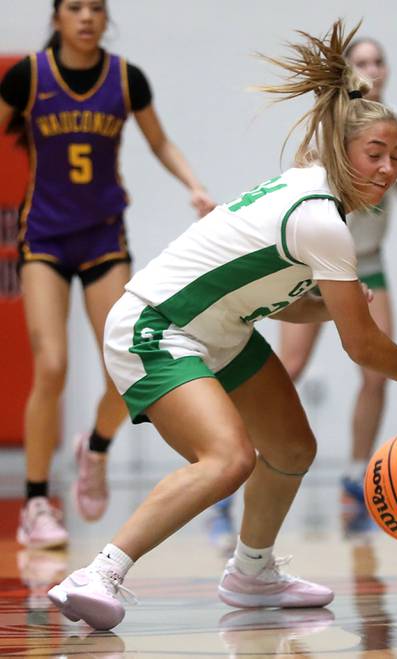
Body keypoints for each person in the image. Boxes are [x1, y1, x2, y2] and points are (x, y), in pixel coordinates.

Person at [46, 20, 397, 631]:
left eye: (396, 158)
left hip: (220, 328)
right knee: (226, 458)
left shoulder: (314, 195)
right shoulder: (322, 218)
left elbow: (279, 300)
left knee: (293, 446)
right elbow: (363, 346)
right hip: (155, 325)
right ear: (342, 152)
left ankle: (252, 571)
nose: (387, 169)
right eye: (375, 154)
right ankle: (100, 572)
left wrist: (329, 303)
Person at [0, 0, 214, 549]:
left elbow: (159, 140)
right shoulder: (29, 76)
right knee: (51, 366)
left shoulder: (126, 79)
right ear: (57, 18)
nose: (87, 17)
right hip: (44, 239)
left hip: (103, 238)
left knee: (125, 366)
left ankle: (94, 448)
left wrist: (192, 184)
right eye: (75, 7)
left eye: (96, 7)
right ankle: (37, 502)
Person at [278, 36, 397, 506]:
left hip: (368, 263)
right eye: (362, 62)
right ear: (347, 72)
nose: (372, 69)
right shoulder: (328, 125)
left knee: (376, 369)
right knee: (289, 367)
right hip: (317, 265)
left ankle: (357, 479)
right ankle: (242, 455)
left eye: (380, 60)